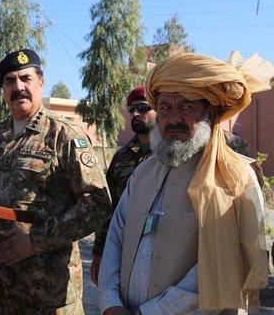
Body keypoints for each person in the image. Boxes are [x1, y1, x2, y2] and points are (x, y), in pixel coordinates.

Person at [99, 52, 272, 314]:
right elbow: (116, 237)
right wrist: (110, 302)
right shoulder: (143, 172)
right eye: (166, 107)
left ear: (210, 113)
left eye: (187, 106)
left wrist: (149, 312)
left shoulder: (236, 177)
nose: (174, 118)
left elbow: (224, 264)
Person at [0, 49, 112, 314]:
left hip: (46, 293)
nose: (18, 87)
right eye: (9, 81)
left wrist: (35, 240)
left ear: (40, 83)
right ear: (3, 90)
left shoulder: (63, 136)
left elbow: (98, 202)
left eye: (25, 79)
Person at [91, 86, 156, 286]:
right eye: (132, 109)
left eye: (144, 107)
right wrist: (100, 252)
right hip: (126, 249)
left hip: (164, 249)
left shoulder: (171, 152)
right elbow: (108, 207)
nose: (136, 113)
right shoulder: (122, 157)